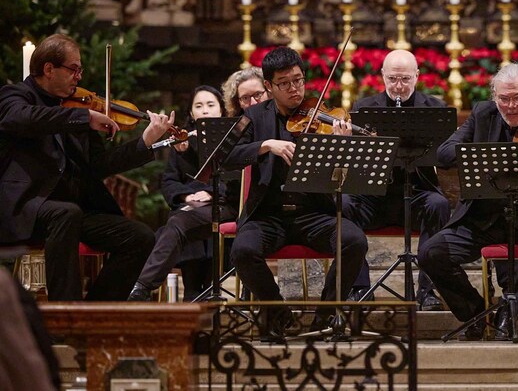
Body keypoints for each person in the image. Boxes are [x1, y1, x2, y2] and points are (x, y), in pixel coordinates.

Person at [0, 34, 174, 301]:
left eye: (80, 70)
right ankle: (67, 313)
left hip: (73, 212)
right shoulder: (16, 96)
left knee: (140, 237)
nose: (79, 77)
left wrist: (145, 141)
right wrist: (83, 117)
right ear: (48, 69)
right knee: (66, 214)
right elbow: (19, 118)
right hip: (28, 209)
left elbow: (99, 165)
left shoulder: (79, 106)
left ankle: (95, 311)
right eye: (74, 69)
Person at [418, 63, 518, 340]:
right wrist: (482, 156)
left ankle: (511, 306)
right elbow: (443, 154)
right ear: (494, 97)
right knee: (431, 253)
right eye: (504, 99)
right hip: (483, 217)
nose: (511, 106)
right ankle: (475, 313)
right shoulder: (483, 114)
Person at [226, 46, 367, 327]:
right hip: (268, 214)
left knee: (354, 241)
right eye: (285, 83)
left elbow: (346, 174)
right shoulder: (254, 117)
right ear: (269, 86)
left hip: (313, 212)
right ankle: (279, 314)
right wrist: (266, 145)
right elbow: (227, 156)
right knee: (242, 251)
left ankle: (325, 315)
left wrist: (342, 145)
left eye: (298, 80)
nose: (294, 89)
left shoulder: (323, 117)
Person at [342, 49, 451, 311]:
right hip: (375, 198)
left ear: (417, 76)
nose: (399, 87)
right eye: (392, 79)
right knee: (344, 204)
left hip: (416, 194)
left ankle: (427, 291)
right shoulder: (364, 109)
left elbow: (445, 156)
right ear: (382, 76)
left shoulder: (435, 108)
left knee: (438, 204)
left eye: (405, 79)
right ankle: (359, 288)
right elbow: (355, 163)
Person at [128, 86, 239, 301]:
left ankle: (146, 286)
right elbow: (169, 181)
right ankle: (191, 290)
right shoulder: (183, 141)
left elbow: (237, 178)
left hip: (225, 203)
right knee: (182, 217)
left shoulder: (233, 138)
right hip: (191, 207)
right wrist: (186, 197)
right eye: (199, 106)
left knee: (177, 224)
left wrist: (210, 194)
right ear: (191, 113)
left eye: (210, 105)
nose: (205, 111)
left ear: (222, 110)